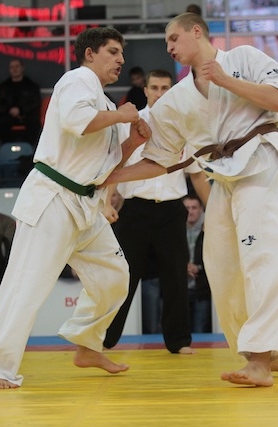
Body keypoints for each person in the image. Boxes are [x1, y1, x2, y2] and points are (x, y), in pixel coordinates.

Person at [100, 13, 278, 386]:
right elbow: (160, 160)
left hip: (260, 163)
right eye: (166, 42)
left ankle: (260, 359)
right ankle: (267, 350)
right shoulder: (176, 100)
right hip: (223, 176)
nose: (169, 47)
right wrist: (112, 176)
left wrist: (226, 80)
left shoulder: (243, 59)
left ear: (196, 31)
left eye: (174, 38)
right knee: (219, 264)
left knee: (263, 257)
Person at [0, 27, 151, 389]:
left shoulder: (107, 104)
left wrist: (131, 142)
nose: (121, 59)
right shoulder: (77, 80)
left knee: (115, 276)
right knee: (25, 286)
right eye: (113, 51)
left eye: (122, 53)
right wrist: (122, 117)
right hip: (53, 198)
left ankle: (87, 343)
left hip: (85, 205)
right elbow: (76, 122)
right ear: (89, 54)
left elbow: (107, 168)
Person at [103, 69, 209, 354]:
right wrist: (106, 202)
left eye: (165, 88)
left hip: (172, 210)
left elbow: (198, 175)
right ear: (146, 90)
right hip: (135, 209)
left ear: (171, 91)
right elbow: (114, 167)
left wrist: (213, 212)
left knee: (175, 277)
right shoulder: (129, 123)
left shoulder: (184, 124)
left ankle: (179, 341)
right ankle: (105, 339)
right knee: (121, 276)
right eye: (155, 88)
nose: (160, 93)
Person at [0, 59, 41, 144]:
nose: (14, 69)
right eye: (12, 67)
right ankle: (7, 148)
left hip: (26, 116)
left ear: (22, 68)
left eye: (17, 66)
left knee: (35, 123)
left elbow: (35, 103)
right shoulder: (3, 87)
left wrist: (20, 110)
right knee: (1, 124)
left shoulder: (32, 86)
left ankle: (29, 149)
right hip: (8, 116)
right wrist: (9, 110)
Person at [184, 193, 212, 333]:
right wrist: (183, 267)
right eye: (187, 208)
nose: (190, 211)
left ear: (201, 209)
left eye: (194, 207)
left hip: (203, 288)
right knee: (182, 332)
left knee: (201, 330)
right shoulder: (174, 228)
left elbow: (215, 256)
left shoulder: (211, 228)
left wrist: (199, 267)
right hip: (181, 289)